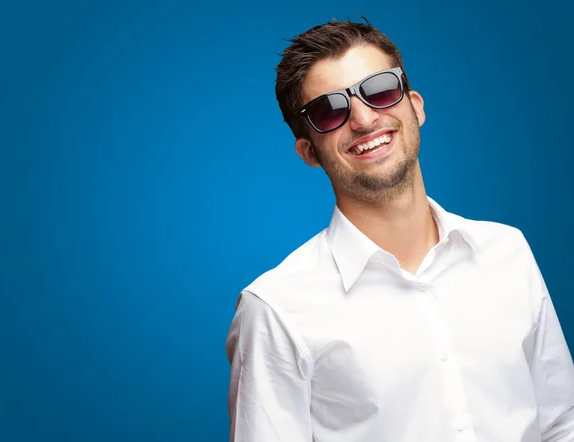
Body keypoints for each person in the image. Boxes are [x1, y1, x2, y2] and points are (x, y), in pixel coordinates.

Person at [225, 18, 574, 442]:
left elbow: (562, 423)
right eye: (328, 110)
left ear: (416, 106)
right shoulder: (277, 309)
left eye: (379, 89)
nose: (364, 118)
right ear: (308, 152)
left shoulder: (507, 251)